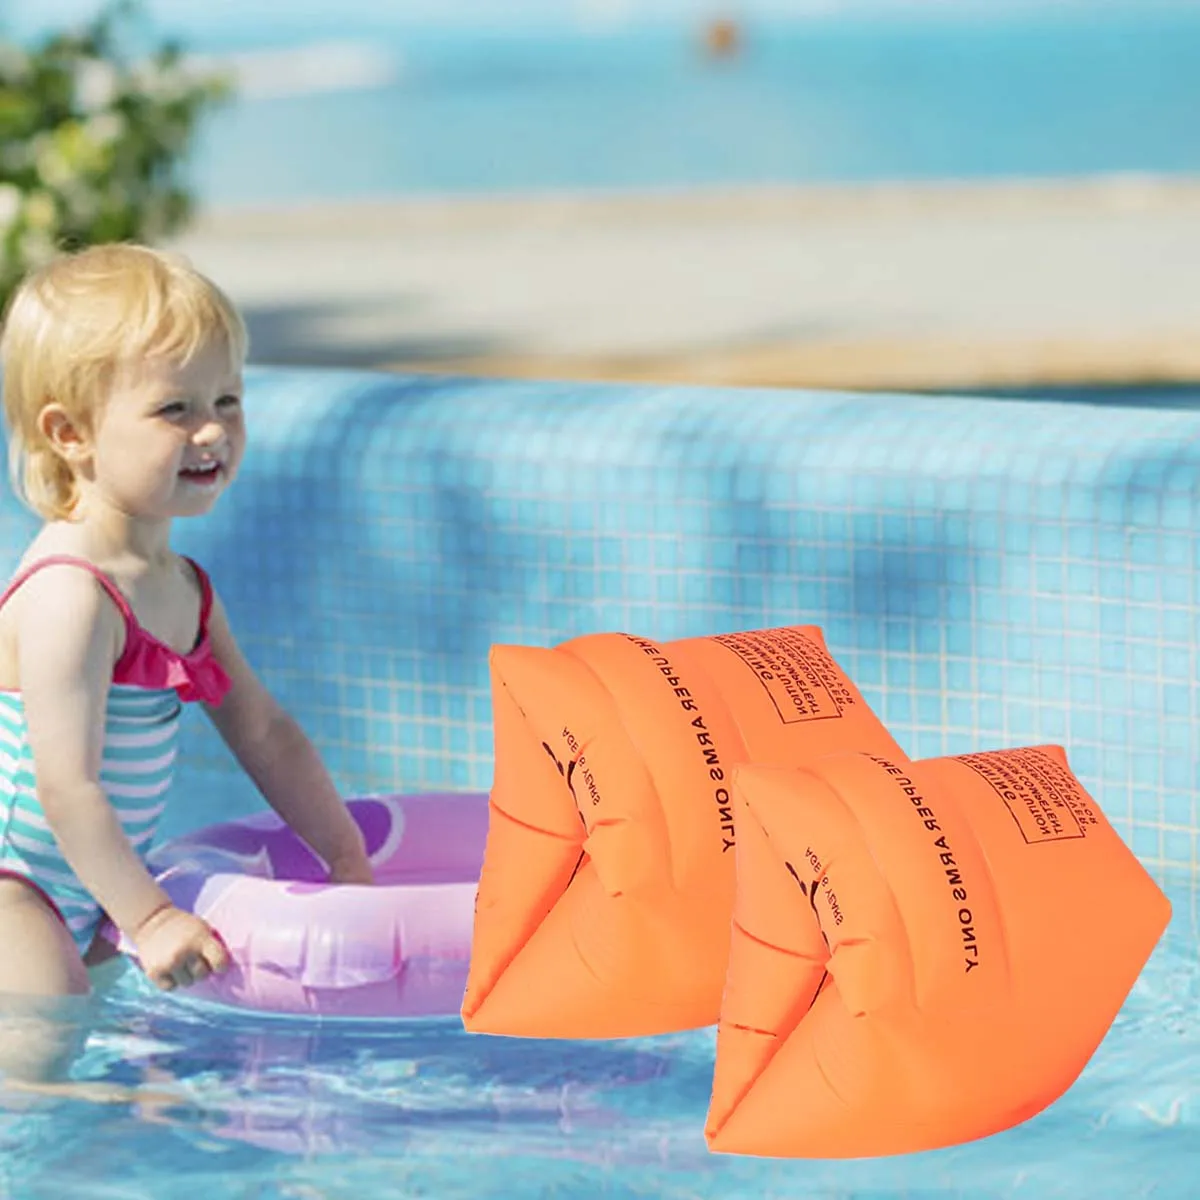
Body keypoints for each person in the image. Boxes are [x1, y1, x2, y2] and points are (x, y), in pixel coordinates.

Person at [0, 242, 374, 1013]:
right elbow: (66, 789)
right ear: (71, 434)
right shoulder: (71, 592)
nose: (212, 431)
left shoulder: (184, 590)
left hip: (92, 884)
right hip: (16, 887)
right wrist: (150, 918)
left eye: (227, 400)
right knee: (43, 1047)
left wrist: (346, 856)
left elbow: (265, 733)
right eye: (176, 409)